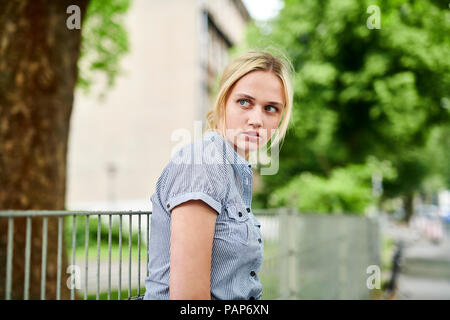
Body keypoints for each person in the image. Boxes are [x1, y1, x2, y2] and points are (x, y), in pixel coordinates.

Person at [143, 50, 294, 300]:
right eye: (244, 102)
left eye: (270, 108)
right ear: (223, 101)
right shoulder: (203, 165)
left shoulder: (235, 173)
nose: (256, 119)